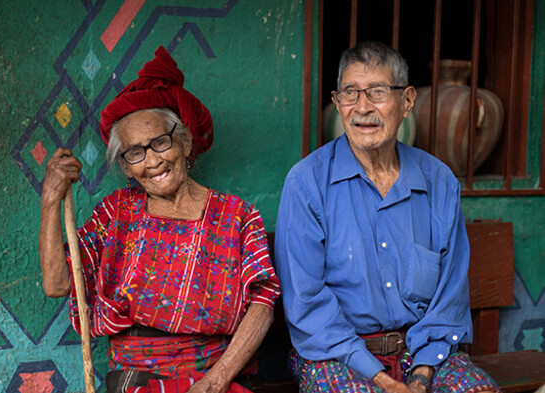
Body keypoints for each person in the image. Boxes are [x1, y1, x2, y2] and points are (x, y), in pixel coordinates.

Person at [39, 46, 280, 393]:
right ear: (125, 166)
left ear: (184, 143)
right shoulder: (117, 213)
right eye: (135, 152)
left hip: (219, 378)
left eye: (160, 143)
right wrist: (50, 200)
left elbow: (262, 306)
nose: (151, 161)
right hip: (137, 381)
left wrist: (214, 383)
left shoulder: (237, 216)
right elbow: (58, 285)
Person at [274, 41, 501, 393]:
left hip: (425, 351)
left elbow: (450, 295)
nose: (363, 108)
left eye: (378, 92)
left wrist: (421, 376)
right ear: (337, 103)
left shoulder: (438, 182)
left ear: (407, 101)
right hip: (336, 352)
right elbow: (307, 304)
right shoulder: (307, 183)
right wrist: (381, 380)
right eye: (350, 93)